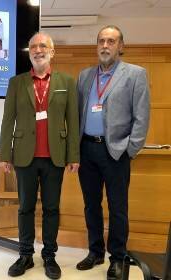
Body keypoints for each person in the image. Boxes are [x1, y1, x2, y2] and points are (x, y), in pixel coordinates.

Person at [0, 31, 80, 279]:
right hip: (25, 156)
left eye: (43, 46)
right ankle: (25, 255)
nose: (37, 50)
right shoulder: (17, 82)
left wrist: (73, 155)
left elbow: (72, 121)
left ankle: (49, 256)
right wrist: (4, 154)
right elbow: (7, 120)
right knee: (25, 208)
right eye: (33, 46)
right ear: (29, 52)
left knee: (52, 209)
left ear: (52, 52)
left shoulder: (67, 82)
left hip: (55, 157)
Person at [76, 25, 150, 280]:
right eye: (101, 41)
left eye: (111, 41)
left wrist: (130, 149)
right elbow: (77, 114)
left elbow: (142, 118)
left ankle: (117, 257)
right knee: (91, 206)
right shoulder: (85, 76)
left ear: (121, 46)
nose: (105, 45)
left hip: (116, 151)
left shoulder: (136, 75)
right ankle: (95, 251)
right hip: (87, 149)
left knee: (118, 208)